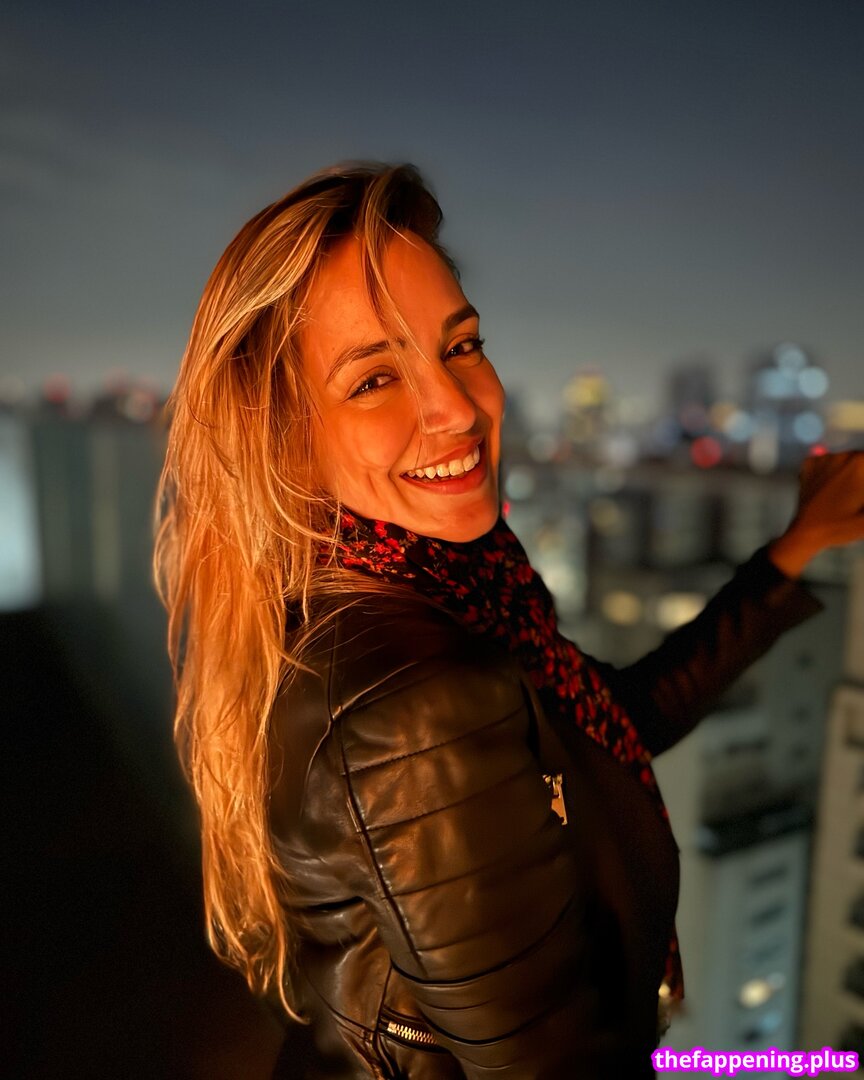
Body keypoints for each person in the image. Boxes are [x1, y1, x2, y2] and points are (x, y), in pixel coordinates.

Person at [154, 162, 864, 1078]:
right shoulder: (419, 700)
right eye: (374, 380)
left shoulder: (428, 584)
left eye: (461, 345)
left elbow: (606, 726)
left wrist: (793, 551)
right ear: (285, 435)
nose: (457, 408)